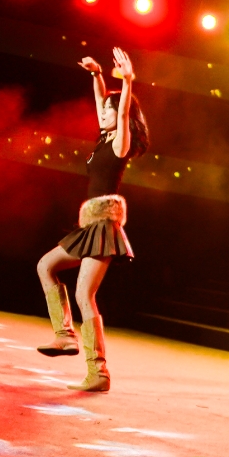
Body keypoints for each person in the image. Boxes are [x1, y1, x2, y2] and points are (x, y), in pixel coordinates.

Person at [35, 48, 147, 392]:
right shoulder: (102, 141)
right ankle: (65, 335)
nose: (103, 112)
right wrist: (97, 75)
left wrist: (127, 81)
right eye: (102, 109)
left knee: (85, 294)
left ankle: (98, 372)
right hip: (90, 226)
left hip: (104, 228)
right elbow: (103, 101)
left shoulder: (120, 143)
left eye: (108, 110)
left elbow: (123, 109)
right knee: (46, 266)